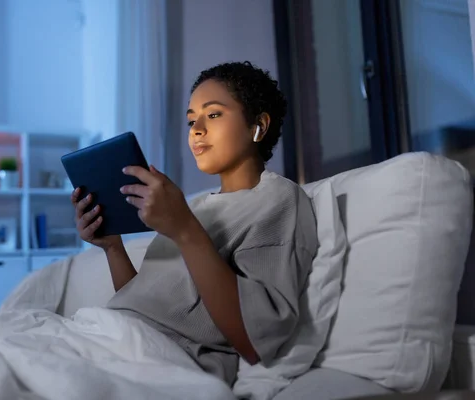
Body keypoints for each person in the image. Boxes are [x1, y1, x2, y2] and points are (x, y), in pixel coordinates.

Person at [70, 61, 318, 387]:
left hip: (160, 361)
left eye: (213, 114)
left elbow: (256, 340)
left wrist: (185, 230)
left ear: (258, 125)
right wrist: (112, 247)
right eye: (191, 120)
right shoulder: (196, 206)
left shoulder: (278, 198)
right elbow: (143, 303)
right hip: (111, 333)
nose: (196, 129)